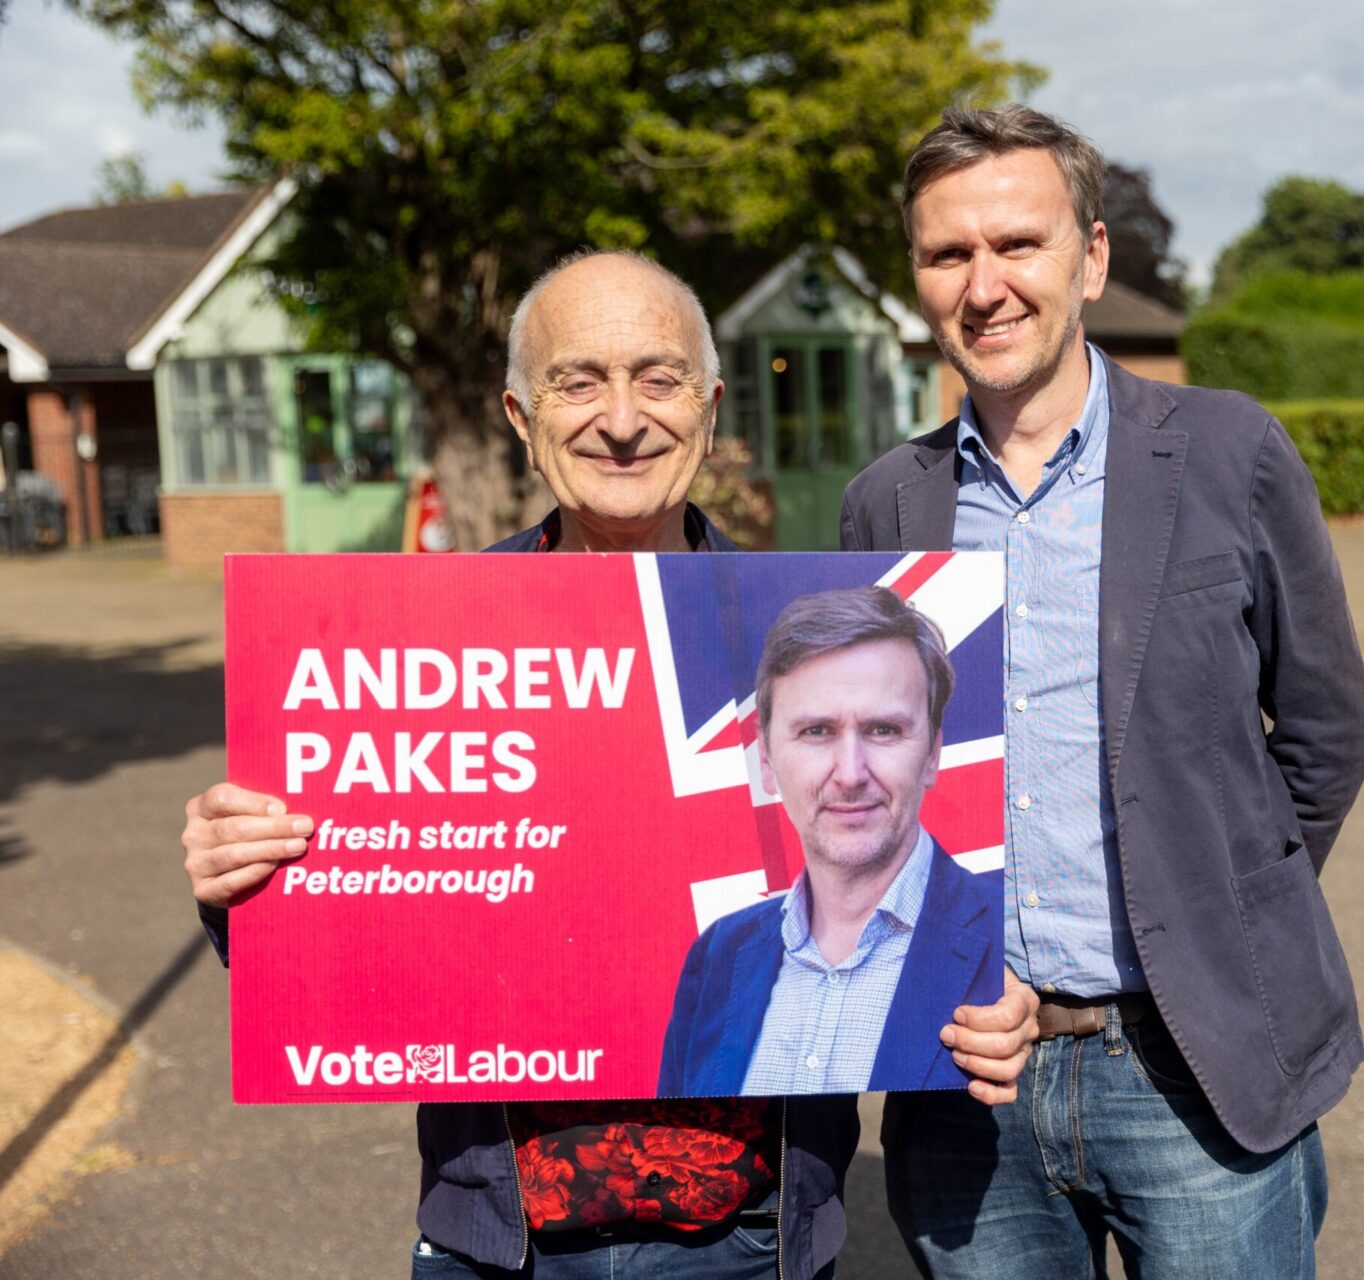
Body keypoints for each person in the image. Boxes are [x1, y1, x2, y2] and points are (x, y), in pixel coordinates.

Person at [180, 250, 1039, 1279]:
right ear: (519, 415)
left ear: (710, 410)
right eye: (577, 379)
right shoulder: (423, 642)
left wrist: (983, 1002)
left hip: (747, 1241)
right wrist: (249, 879)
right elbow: (345, 935)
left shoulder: (808, 639)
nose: (622, 419)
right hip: (501, 1245)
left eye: (659, 377)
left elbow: (909, 904)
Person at [840, 106, 1364, 1278]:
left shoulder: (1230, 451)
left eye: (1017, 244)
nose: (984, 285)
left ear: (1089, 258)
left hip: (1195, 1063)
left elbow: (1330, 730)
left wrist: (1219, 918)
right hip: (969, 1080)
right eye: (947, 254)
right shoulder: (884, 502)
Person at [659, 586, 1000, 1098]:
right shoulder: (718, 958)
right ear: (768, 762)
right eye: (817, 731)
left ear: (932, 754)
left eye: (884, 730)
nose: (850, 773)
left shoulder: (1008, 939)